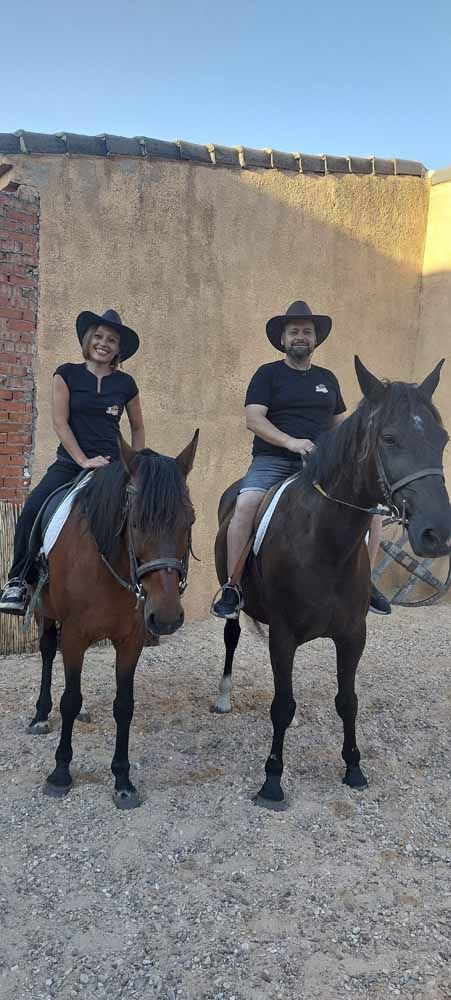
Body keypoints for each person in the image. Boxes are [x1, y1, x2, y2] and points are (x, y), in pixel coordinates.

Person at [212, 300, 391, 619]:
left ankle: (368, 582)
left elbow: (341, 426)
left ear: (315, 340)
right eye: (294, 331)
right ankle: (232, 587)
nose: (300, 336)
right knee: (245, 504)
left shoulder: (327, 379)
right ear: (282, 339)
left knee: (371, 510)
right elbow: (254, 419)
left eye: (307, 332)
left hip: (323, 465)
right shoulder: (267, 375)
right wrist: (291, 442)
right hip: (273, 461)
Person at [0, 308, 145, 615]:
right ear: (87, 340)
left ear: (119, 349)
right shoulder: (66, 374)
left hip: (113, 465)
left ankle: (144, 586)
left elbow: (138, 427)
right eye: (98, 336)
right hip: (70, 463)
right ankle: (18, 582)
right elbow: (60, 423)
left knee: (145, 513)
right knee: (32, 509)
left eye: (112, 340)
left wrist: (135, 463)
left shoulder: (126, 384)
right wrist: (83, 460)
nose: (103, 343)